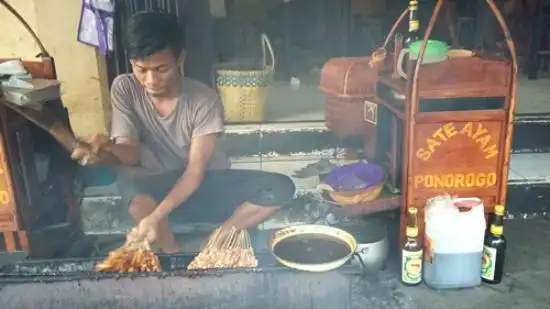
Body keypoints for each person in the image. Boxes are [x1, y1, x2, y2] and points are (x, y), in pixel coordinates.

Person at [71, 11, 296, 253]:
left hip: (203, 184)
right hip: (153, 182)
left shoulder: (204, 100)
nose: (150, 80)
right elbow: (130, 152)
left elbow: (194, 173)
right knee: (135, 192)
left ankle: (213, 243)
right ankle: (174, 254)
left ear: (180, 59)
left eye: (160, 69)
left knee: (280, 187)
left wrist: (156, 217)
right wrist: (106, 148)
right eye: (141, 69)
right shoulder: (124, 88)